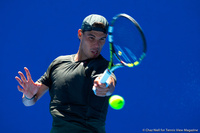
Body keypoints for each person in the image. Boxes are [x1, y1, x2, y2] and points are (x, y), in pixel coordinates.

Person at [15, 14, 116, 133]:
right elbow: (29, 102)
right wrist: (29, 95)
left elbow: (109, 83)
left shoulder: (104, 66)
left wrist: (105, 87)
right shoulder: (58, 63)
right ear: (80, 34)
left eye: (102, 39)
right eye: (91, 37)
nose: (97, 45)